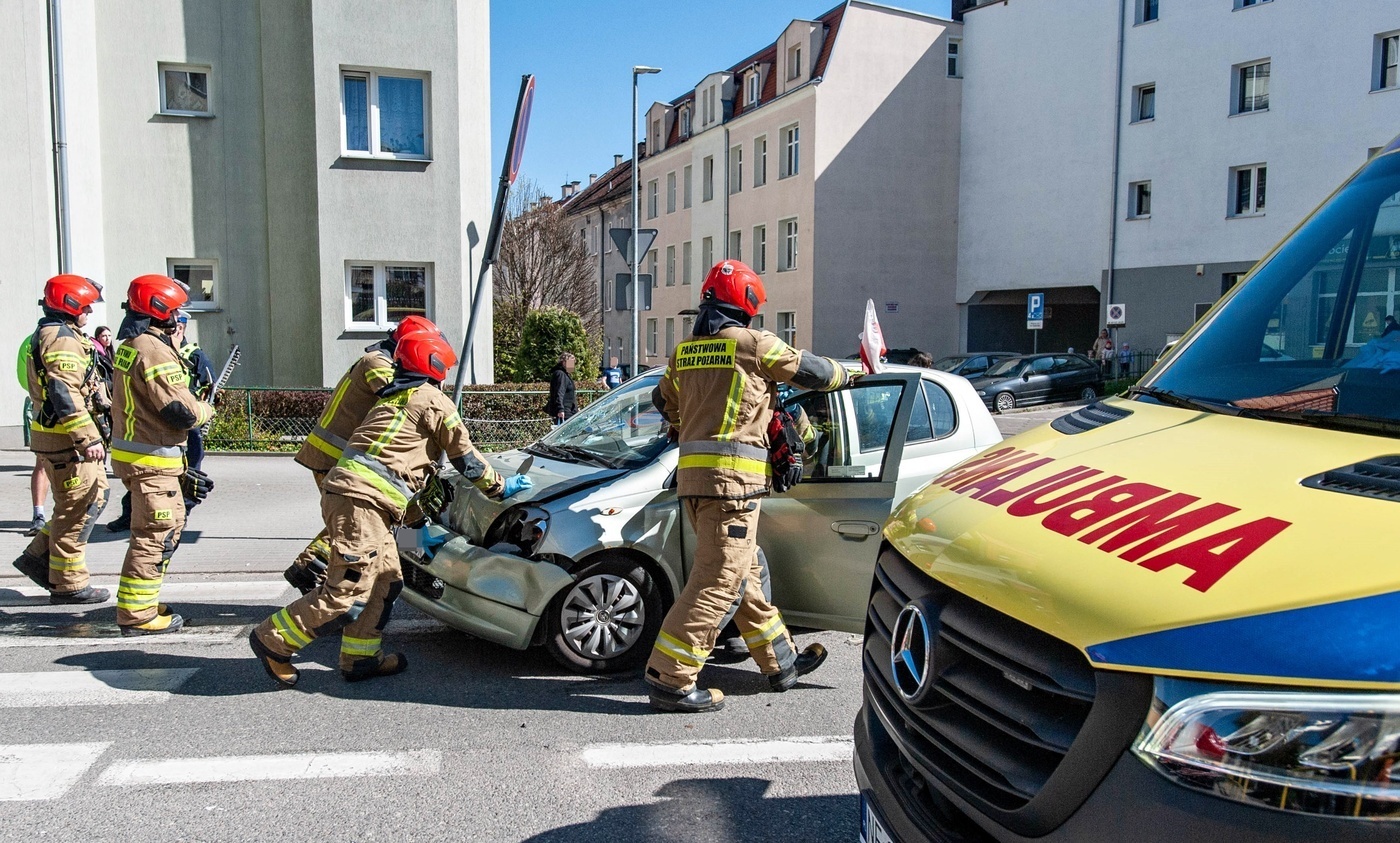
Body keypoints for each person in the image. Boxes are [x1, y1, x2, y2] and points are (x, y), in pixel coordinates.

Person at [248, 329, 533, 686]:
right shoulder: (432, 400)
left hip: (360, 500)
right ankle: (273, 639)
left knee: (386, 580)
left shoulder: (393, 398)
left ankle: (361, 657)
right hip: (361, 503)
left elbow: (396, 476)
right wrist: (502, 487)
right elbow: (467, 460)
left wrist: (417, 533)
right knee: (347, 589)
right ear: (435, 365)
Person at [644, 259, 851, 714]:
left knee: (745, 573)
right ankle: (671, 677)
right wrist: (852, 372)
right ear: (748, 304)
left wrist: (685, 426)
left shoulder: (686, 352)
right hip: (734, 487)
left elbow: (662, 399)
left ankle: (781, 662)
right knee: (718, 581)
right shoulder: (753, 345)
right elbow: (812, 372)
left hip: (696, 485)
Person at [281, 314, 435, 594]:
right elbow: (402, 401)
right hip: (336, 457)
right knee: (359, 520)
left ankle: (411, 563)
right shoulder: (377, 363)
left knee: (368, 518)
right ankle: (309, 568)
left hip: (354, 459)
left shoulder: (384, 361)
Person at [109, 275, 215, 636]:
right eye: (175, 311)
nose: (179, 317)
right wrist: (204, 410)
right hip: (152, 460)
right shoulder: (154, 350)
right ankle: (138, 616)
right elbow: (179, 411)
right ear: (161, 311)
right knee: (158, 534)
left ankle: (139, 603)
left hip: (139, 455)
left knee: (151, 533)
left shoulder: (132, 343)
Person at [11, 274, 111, 604]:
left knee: (87, 499)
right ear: (71, 306)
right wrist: (87, 438)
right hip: (67, 440)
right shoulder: (63, 340)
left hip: (59, 437)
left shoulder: (56, 334)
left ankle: (38, 559)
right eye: (86, 306)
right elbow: (64, 392)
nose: (89, 313)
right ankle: (68, 584)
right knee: (77, 509)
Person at [16, 338, 50, 536]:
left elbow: (23, 378)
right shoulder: (66, 337)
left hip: (41, 409)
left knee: (42, 464)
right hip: (65, 412)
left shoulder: (29, 341)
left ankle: (39, 514)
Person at [546, 352, 578, 425]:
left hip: (569, 411)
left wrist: (575, 408)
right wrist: (560, 409)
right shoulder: (560, 374)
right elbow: (559, 392)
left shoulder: (565, 375)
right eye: (571, 363)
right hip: (565, 412)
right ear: (564, 362)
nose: (572, 366)